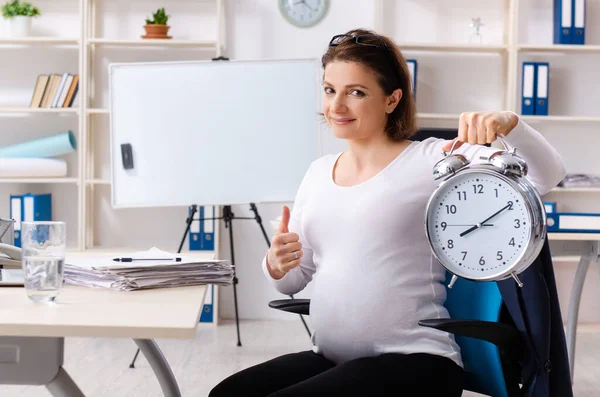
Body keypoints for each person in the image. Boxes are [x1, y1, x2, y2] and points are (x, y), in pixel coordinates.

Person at [209, 28, 566, 397]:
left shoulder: (436, 158)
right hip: (335, 359)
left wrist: (511, 124)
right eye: (331, 90)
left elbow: (546, 175)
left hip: (417, 362)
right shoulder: (318, 173)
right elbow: (293, 281)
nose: (337, 106)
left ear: (392, 99)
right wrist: (277, 263)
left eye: (356, 92)